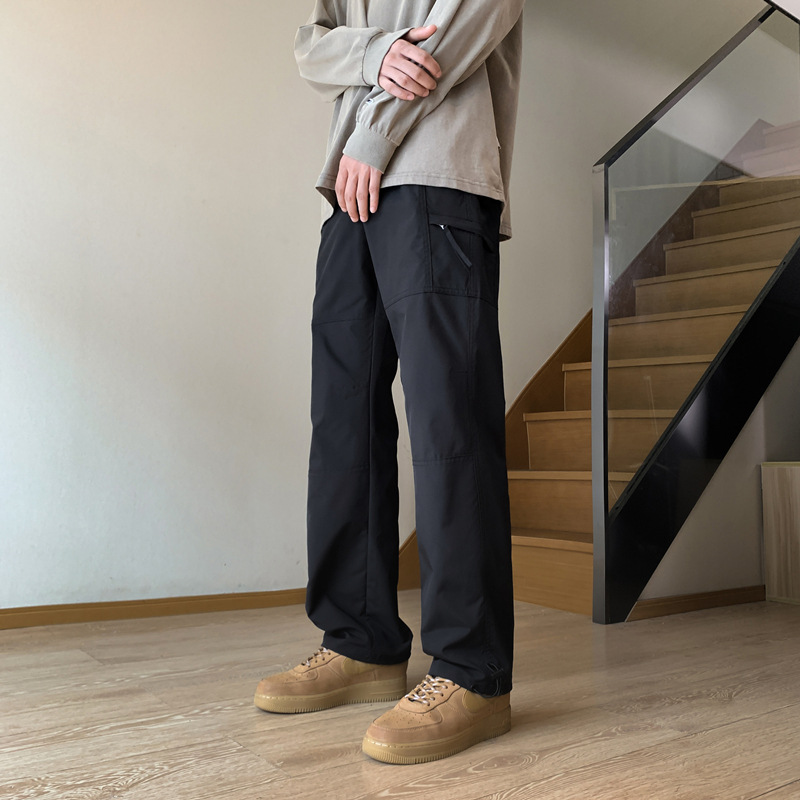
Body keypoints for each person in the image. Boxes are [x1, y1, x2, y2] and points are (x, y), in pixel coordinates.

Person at [255, 0, 525, 765]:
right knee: (342, 421)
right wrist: (375, 54)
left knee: (449, 424)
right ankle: (360, 638)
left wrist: (375, 130)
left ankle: (472, 670)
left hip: (434, 170)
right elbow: (311, 47)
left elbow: (476, 15)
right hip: (350, 185)